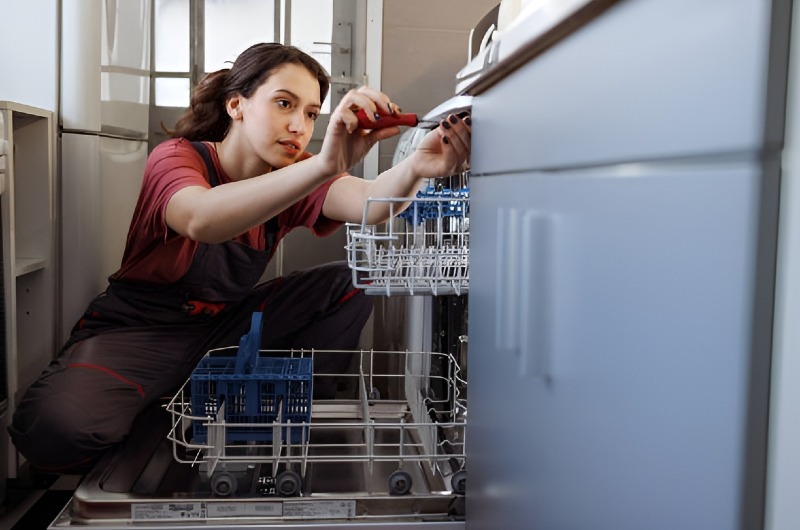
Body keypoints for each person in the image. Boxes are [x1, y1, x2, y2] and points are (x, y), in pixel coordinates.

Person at [8, 43, 471, 473]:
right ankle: (171, 403)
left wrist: (418, 167)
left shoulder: (293, 175)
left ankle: (282, 410)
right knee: (54, 432)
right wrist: (323, 164)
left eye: (311, 114)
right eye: (284, 104)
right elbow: (201, 218)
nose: (299, 127)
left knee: (352, 279)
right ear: (237, 105)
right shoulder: (176, 158)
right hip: (139, 332)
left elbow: (370, 203)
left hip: (225, 330)